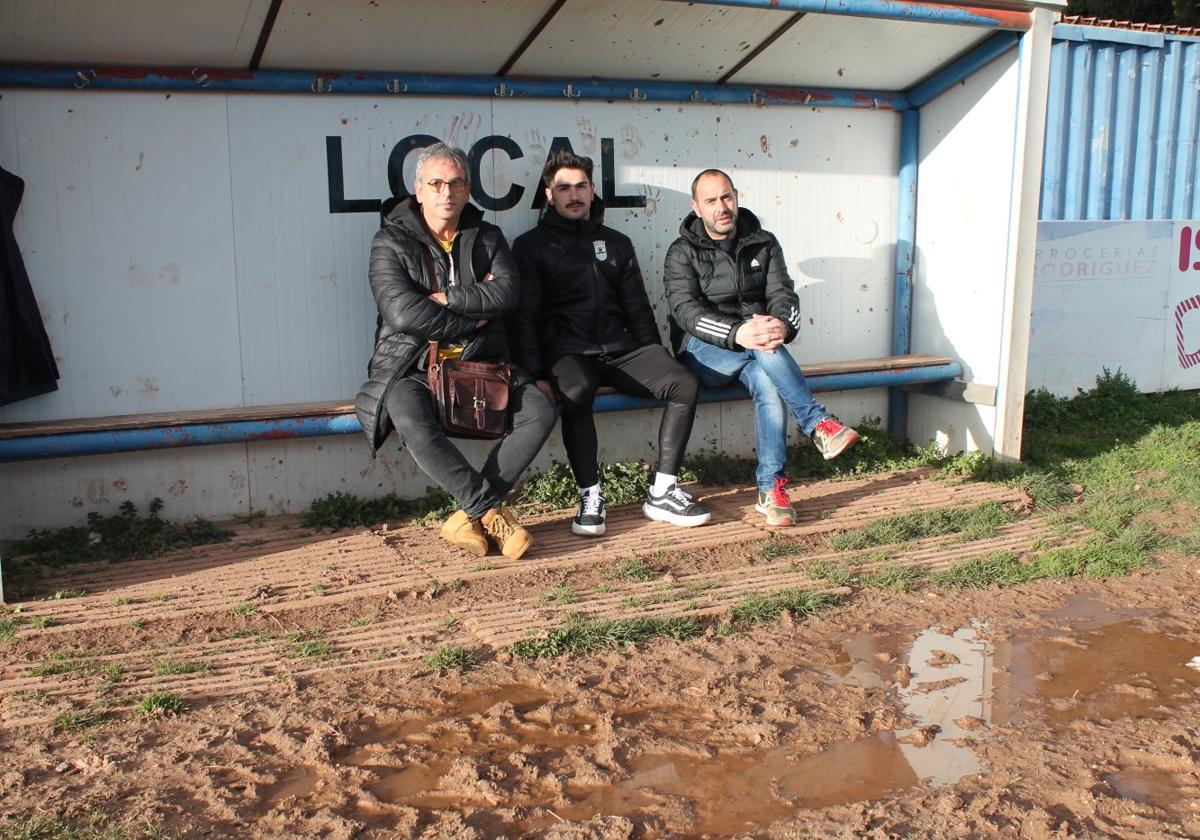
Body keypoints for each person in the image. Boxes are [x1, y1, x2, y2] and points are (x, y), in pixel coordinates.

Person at [355, 143, 556, 559]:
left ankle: (467, 518)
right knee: (409, 416)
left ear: (467, 190)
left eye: (457, 183)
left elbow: (506, 294)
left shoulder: (487, 236)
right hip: (409, 363)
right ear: (419, 189)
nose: (447, 192)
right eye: (437, 183)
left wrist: (445, 298)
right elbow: (404, 312)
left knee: (538, 408)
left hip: (481, 361)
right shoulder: (389, 242)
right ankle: (488, 510)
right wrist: (474, 315)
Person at [512, 151, 709, 536]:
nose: (574, 195)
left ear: (592, 189)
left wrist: (655, 353)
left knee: (684, 382)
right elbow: (525, 318)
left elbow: (637, 306)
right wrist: (534, 372)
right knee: (576, 390)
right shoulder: (530, 246)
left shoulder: (616, 242)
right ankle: (590, 494)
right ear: (549, 194)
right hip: (567, 351)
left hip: (619, 348)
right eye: (564, 188)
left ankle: (663, 490)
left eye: (581, 186)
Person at [664, 168, 860, 528]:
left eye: (726, 197)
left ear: (736, 196)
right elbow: (685, 313)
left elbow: (784, 294)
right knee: (763, 346)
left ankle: (772, 490)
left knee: (767, 368)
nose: (721, 207)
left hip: (758, 347)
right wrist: (739, 332)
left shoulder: (764, 242)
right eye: (711, 201)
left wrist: (782, 325)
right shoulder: (682, 252)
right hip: (703, 352)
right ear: (696, 207)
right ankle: (817, 424)